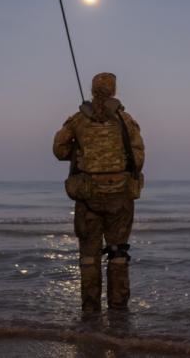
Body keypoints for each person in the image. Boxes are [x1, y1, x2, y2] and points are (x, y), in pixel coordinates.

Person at [53, 72, 144, 312]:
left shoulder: (77, 121)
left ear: (93, 91)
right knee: (118, 254)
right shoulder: (125, 120)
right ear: (113, 91)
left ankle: (90, 311)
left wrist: (79, 149)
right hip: (120, 199)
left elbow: (59, 150)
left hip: (87, 199)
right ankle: (118, 310)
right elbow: (138, 159)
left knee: (89, 257)